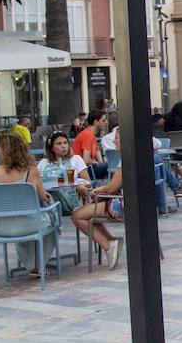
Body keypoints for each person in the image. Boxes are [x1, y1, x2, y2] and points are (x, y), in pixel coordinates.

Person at [0, 133, 59, 275]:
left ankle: (32, 264)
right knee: (53, 221)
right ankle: (37, 265)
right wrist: (45, 195)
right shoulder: (32, 171)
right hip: (29, 225)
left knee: (24, 218)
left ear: (6, 151)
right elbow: (42, 197)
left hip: (1, 227)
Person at [74, 128, 126, 269]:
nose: (114, 141)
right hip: (140, 203)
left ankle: (108, 245)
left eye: (116, 138)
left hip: (123, 206)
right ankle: (111, 241)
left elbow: (111, 188)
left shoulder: (125, 159)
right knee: (90, 213)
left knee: (78, 215)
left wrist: (99, 190)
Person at [36, 130, 91, 214]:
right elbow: (36, 182)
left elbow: (88, 182)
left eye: (65, 143)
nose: (63, 146)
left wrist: (78, 185)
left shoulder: (76, 159)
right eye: (59, 144)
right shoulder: (44, 162)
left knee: (54, 191)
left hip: (67, 200)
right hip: (45, 199)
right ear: (51, 148)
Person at [73, 110, 108, 179]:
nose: (106, 122)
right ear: (96, 122)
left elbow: (100, 161)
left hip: (88, 169)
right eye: (103, 120)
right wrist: (96, 162)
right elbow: (86, 160)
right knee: (116, 166)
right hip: (83, 171)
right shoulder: (87, 135)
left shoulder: (92, 136)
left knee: (114, 166)